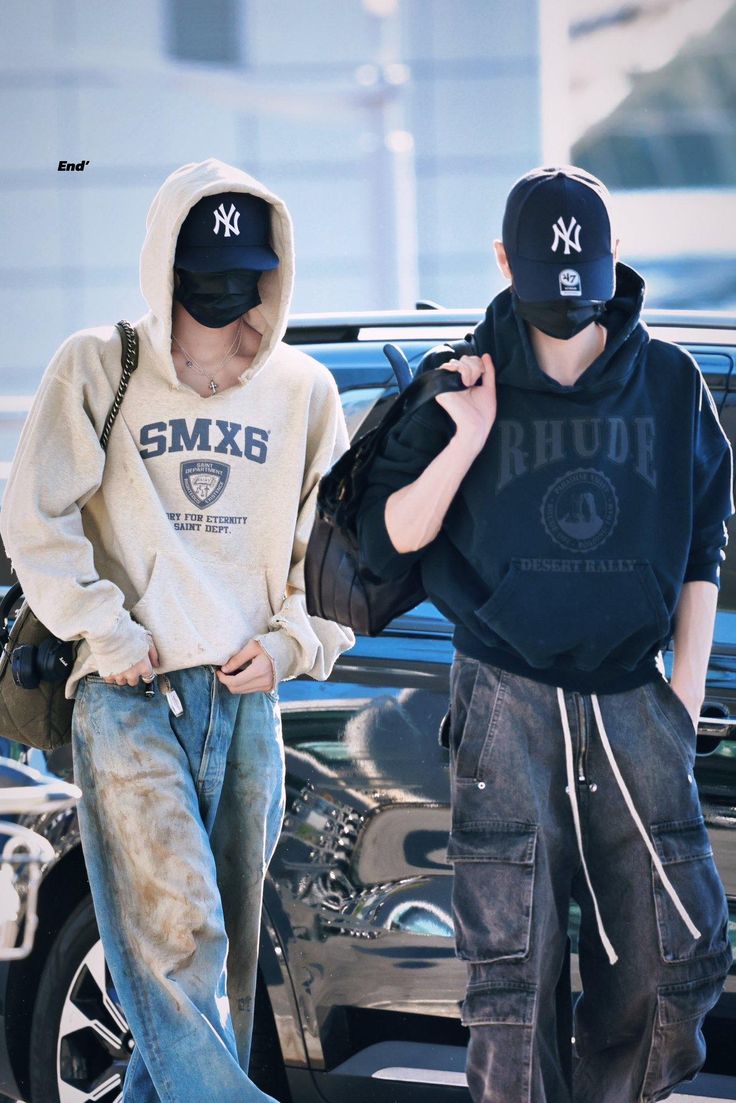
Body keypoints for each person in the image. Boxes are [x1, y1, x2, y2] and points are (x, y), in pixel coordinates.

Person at [356, 165, 733, 1103]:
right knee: (511, 987)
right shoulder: (462, 377)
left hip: (634, 703)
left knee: (674, 959)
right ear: (502, 262)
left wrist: (682, 692)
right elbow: (391, 533)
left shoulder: (670, 381)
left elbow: (703, 530)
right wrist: (470, 433)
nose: (568, 316)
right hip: (506, 703)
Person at [0, 157, 354, 1103]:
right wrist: (104, 631)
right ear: (167, 281)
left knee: (219, 972)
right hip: (128, 696)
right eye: (204, 298)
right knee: (179, 935)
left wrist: (290, 643)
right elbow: (33, 517)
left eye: (245, 296)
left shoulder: (304, 391)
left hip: (246, 706)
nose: (228, 325)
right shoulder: (96, 365)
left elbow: (334, 561)